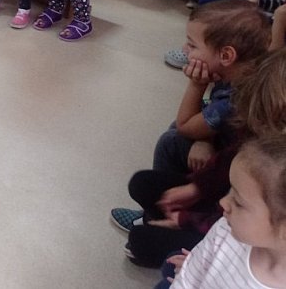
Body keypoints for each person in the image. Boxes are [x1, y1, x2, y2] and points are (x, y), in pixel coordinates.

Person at [115, 45, 286, 269]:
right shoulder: (264, 136)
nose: (185, 49)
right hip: (224, 209)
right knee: (143, 182)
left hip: (232, 233)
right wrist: (196, 188)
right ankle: (155, 220)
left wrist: (187, 219)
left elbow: (233, 224)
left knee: (141, 241)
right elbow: (226, 166)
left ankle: (157, 226)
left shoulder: (275, 172)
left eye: (193, 44)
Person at [111, 0, 270, 230]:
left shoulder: (235, 99)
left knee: (172, 141)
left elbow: (186, 124)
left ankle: (156, 217)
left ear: (226, 55)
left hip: (232, 179)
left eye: (192, 45)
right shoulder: (243, 73)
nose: (185, 49)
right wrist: (205, 138)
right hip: (231, 157)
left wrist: (196, 84)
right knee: (178, 132)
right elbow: (206, 116)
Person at [164, 136, 286, 288]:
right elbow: (185, 282)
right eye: (230, 190)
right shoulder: (225, 230)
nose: (223, 202)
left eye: (238, 203)